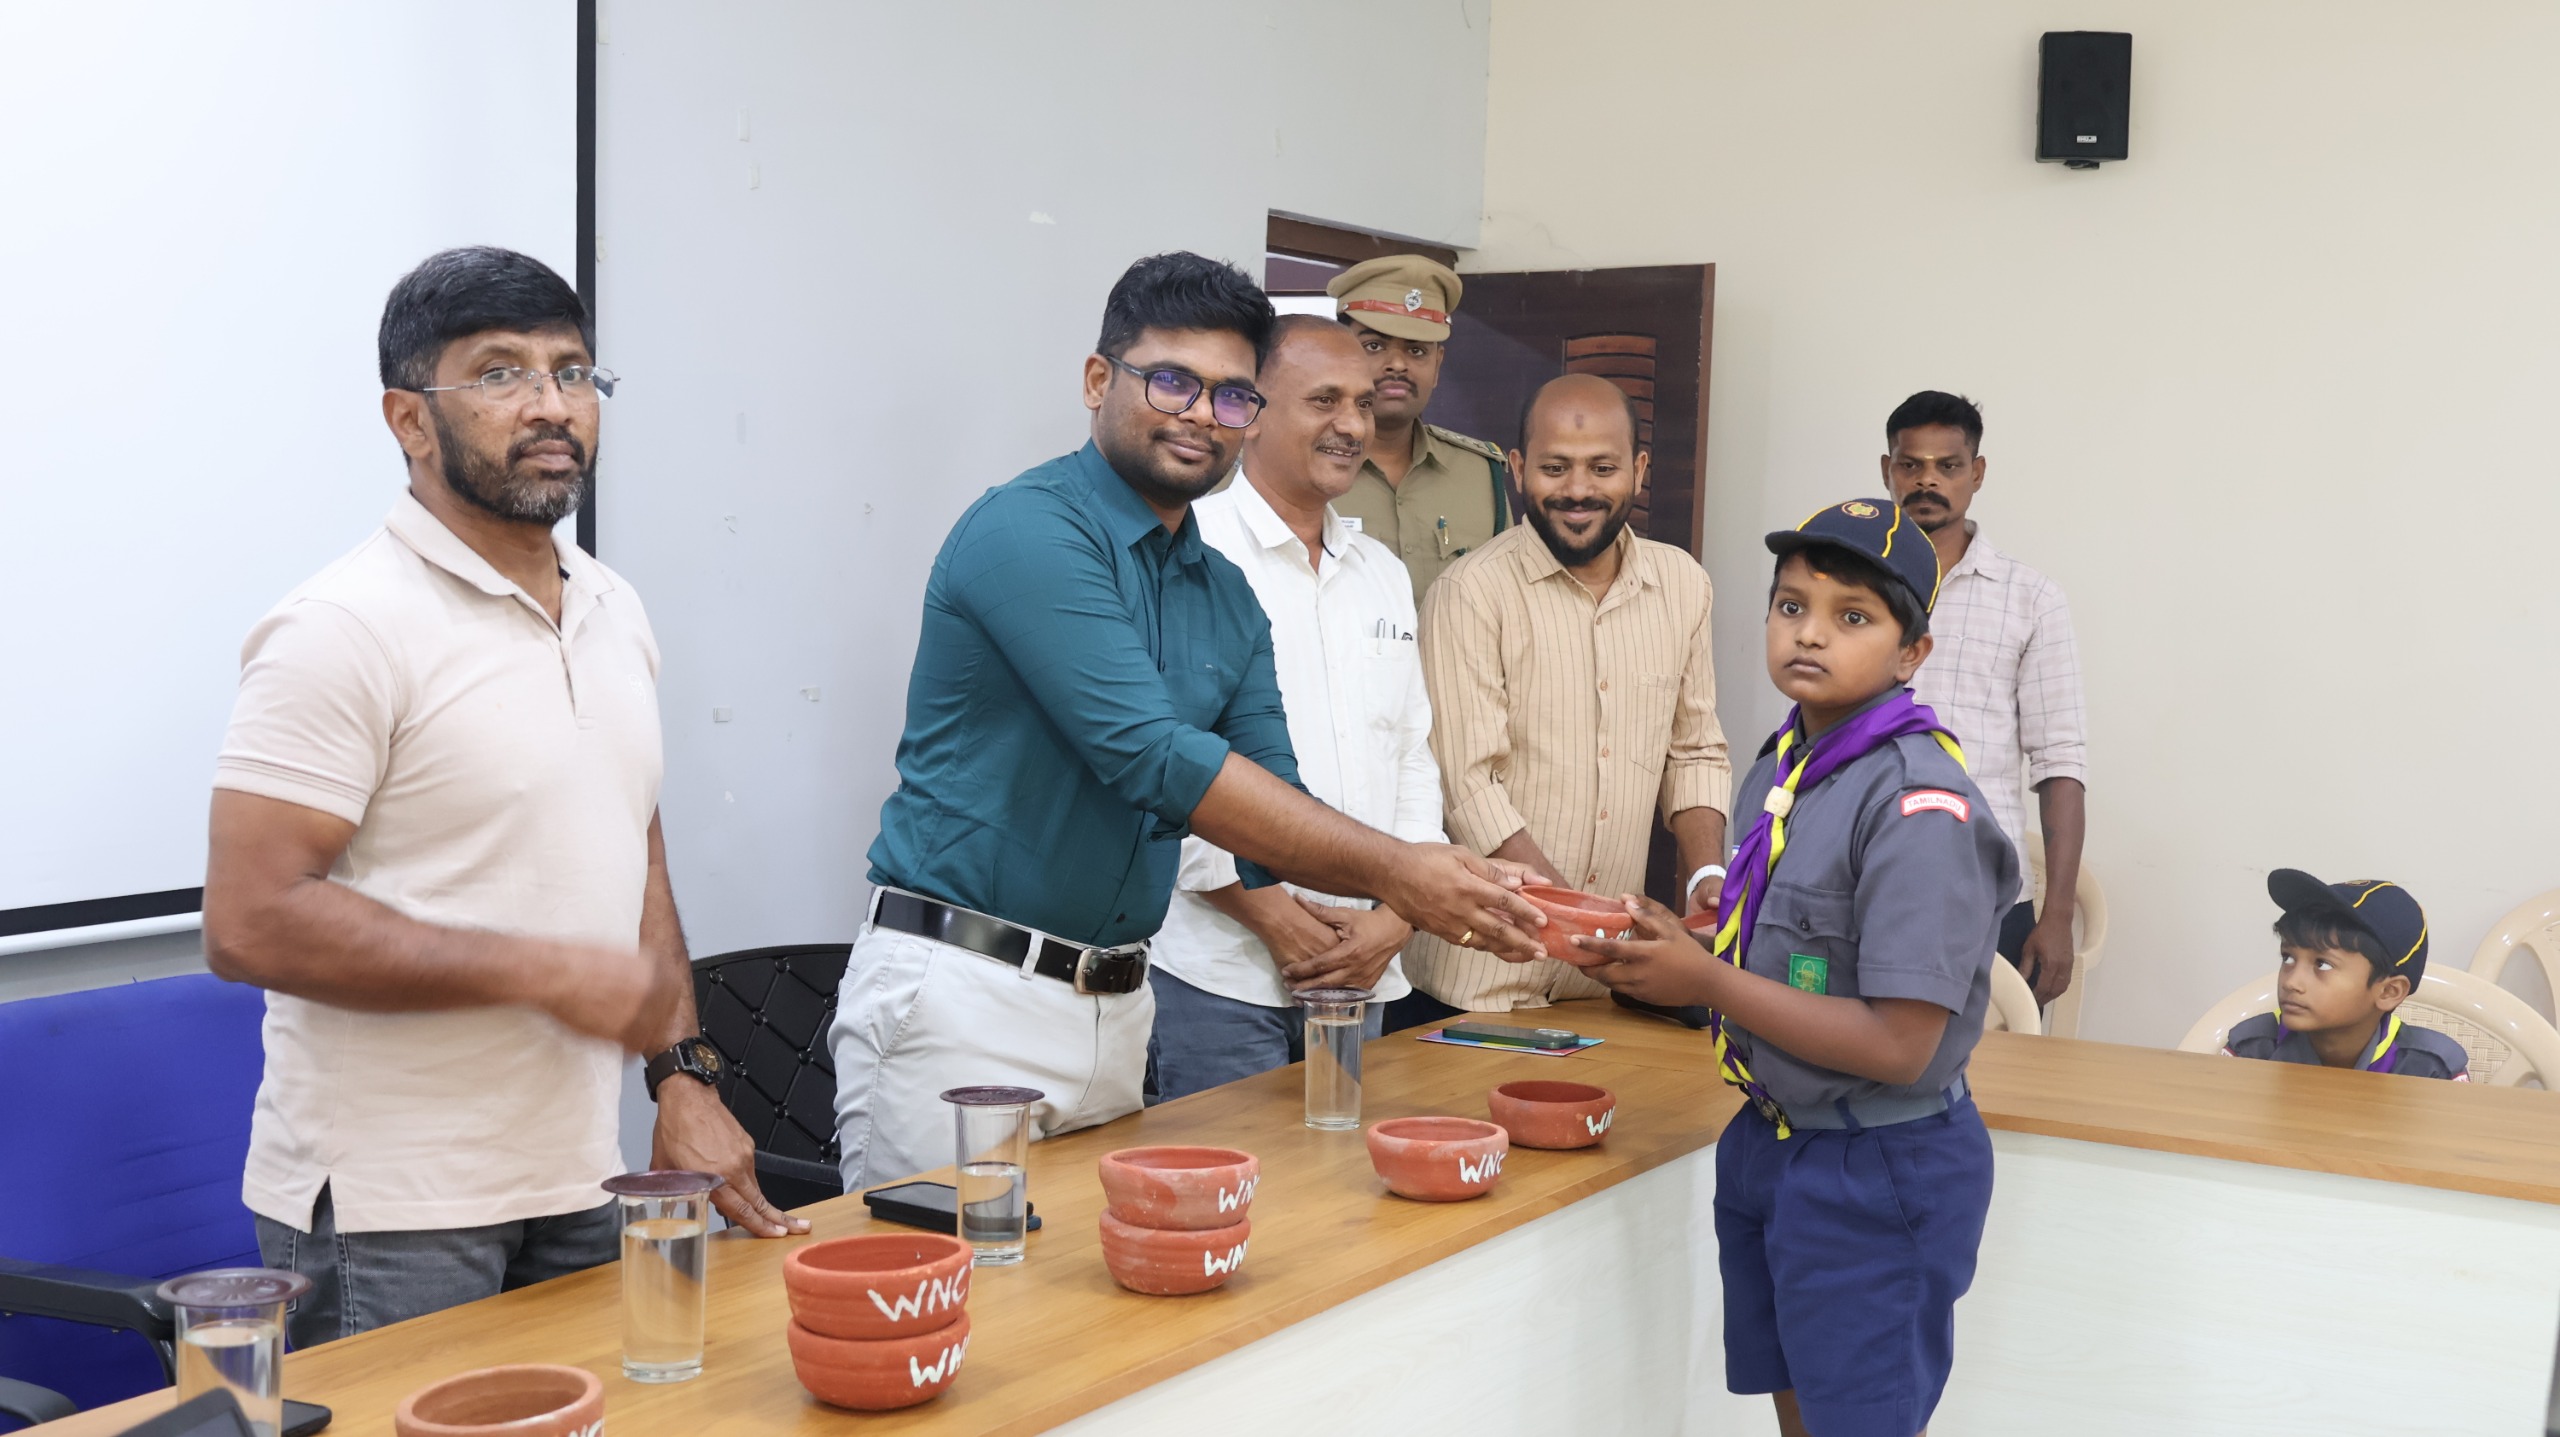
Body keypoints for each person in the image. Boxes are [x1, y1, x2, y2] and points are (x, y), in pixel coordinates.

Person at [829, 253, 1546, 1189]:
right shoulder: (1028, 530)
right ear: (1099, 380)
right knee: (954, 1278)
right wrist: (1406, 873)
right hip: (968, 996)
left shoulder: (1224, 594)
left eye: (1232, 396)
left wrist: (1436, 889)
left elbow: (1276, 806)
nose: (1203, 414)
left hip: (1116, 1007)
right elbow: (1153, 757)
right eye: (1173, 382)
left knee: (1106, 1286)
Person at [202, 247, 803, 1348]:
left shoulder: (614, 607)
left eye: (572, 372)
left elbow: (634, 845)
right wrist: (539, 970)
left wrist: (681, 1074)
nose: (551, 406)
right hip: (393, 1209)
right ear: (409, 419)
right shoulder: (339, 628)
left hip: (581, 1175)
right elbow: (250, 920)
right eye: (499, 373)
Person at [1568, 499, 2017, 1437]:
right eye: (1790, 605)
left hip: (1876, 1162)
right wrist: (1680, 943)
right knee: (1801, 1412)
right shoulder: (1789, 762)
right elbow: (1792, 956)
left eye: (1852, 616)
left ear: (1912, 653)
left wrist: (1705, 983)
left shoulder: (1917, 803)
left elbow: (1899, 1043)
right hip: (1774, 1139)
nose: (1810, 632)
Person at [1147, 316, 1442, 1101]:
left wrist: (1398, 911)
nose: (1353, 425)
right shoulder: (1190, 550)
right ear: (1252, 411)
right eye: (1324, 400)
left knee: (1342, 1175)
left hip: (1362, 968)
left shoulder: (1380, 571)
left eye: (1362, 403)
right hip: (1220, 969)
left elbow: (1411, 753)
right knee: (1230, 1178)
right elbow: (1162, 761)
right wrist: (1274, 916)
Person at [1394, 373, 1731, 1029]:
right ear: (1519, 470)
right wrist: (1582, 922)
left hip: (1610, 985)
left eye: (1602, 467)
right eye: (1555, 468)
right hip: (1482, 980)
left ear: (1638, 470)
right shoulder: (1470, 592)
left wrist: (1706, 877)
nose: (1578, 490)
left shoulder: (1683, 584)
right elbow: (1468, 785)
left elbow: (1694, 750)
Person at [1882, 391, 2088, 1008]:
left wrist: (2056, 916)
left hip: (1987, 892)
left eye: (1947, 466)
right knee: (1862, 1054)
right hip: (1868, 879)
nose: (1927, 481)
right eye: (1911, 465)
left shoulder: (2031, 599)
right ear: (1888, 471)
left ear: (1976, 473)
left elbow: (2060, 761)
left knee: (1998, 1065)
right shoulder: (1853, 589)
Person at [1324, 254, 1513, 604]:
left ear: (1437, 366)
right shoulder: (1299, 467)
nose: (1397, 364)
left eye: (1416, 350)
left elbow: (1505, 603)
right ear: (1338, 354)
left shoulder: (1479, 475)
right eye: (1374, 345)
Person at [2223, 871, 2469, 1080]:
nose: (2291, 982)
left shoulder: (2432, 1070)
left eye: (2322, 964)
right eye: (2288, 958)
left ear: (2388, 991)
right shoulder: (2252, 1049)